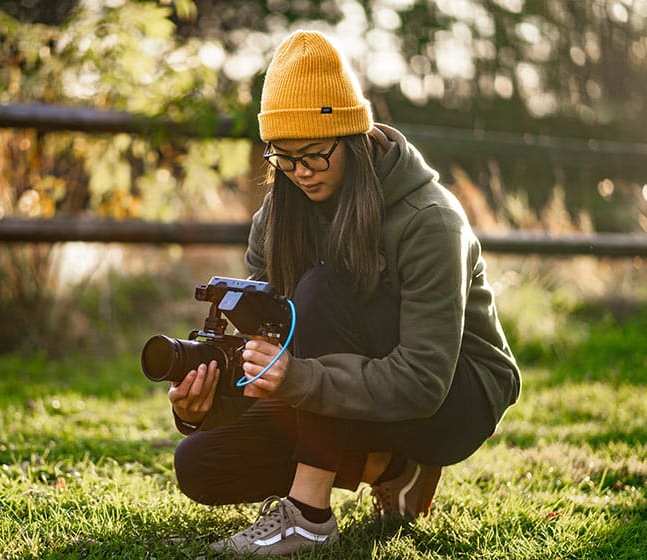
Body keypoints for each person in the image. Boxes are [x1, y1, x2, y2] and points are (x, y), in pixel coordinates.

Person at [167, 29, 521, 557]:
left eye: (314, 154)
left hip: (451, 399)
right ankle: (393, 469)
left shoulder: (430, 219)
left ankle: (308, 517)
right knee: (199, 463)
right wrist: (204, 401)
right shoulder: (276, 217)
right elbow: (274, 349)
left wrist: (301, 378)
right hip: (350, 390)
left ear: (353, 137)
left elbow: (425, 380)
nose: (300, 172)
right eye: (282, 158)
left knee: (321, 291)